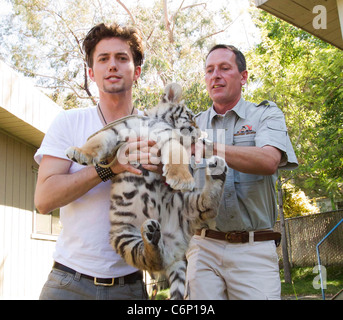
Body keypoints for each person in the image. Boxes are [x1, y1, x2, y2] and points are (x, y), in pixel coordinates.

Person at [35, 22, 158, 300]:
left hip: (130, 286)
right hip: (68, 282)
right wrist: (108, 169)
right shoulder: (69, 122)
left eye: (121, 58)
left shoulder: (157, 130)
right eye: (103, 59)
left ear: (136, 72)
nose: (112, 65)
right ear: (92, 72)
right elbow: (43, 199)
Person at [185, 44, 298, 300]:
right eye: (209, 70)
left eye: (225, 68)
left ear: (243, 76)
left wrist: (209, 147)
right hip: (203, 246)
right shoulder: (192, 125)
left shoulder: (265, 115)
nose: (216, 75)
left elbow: (269, 160)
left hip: (254, 248)